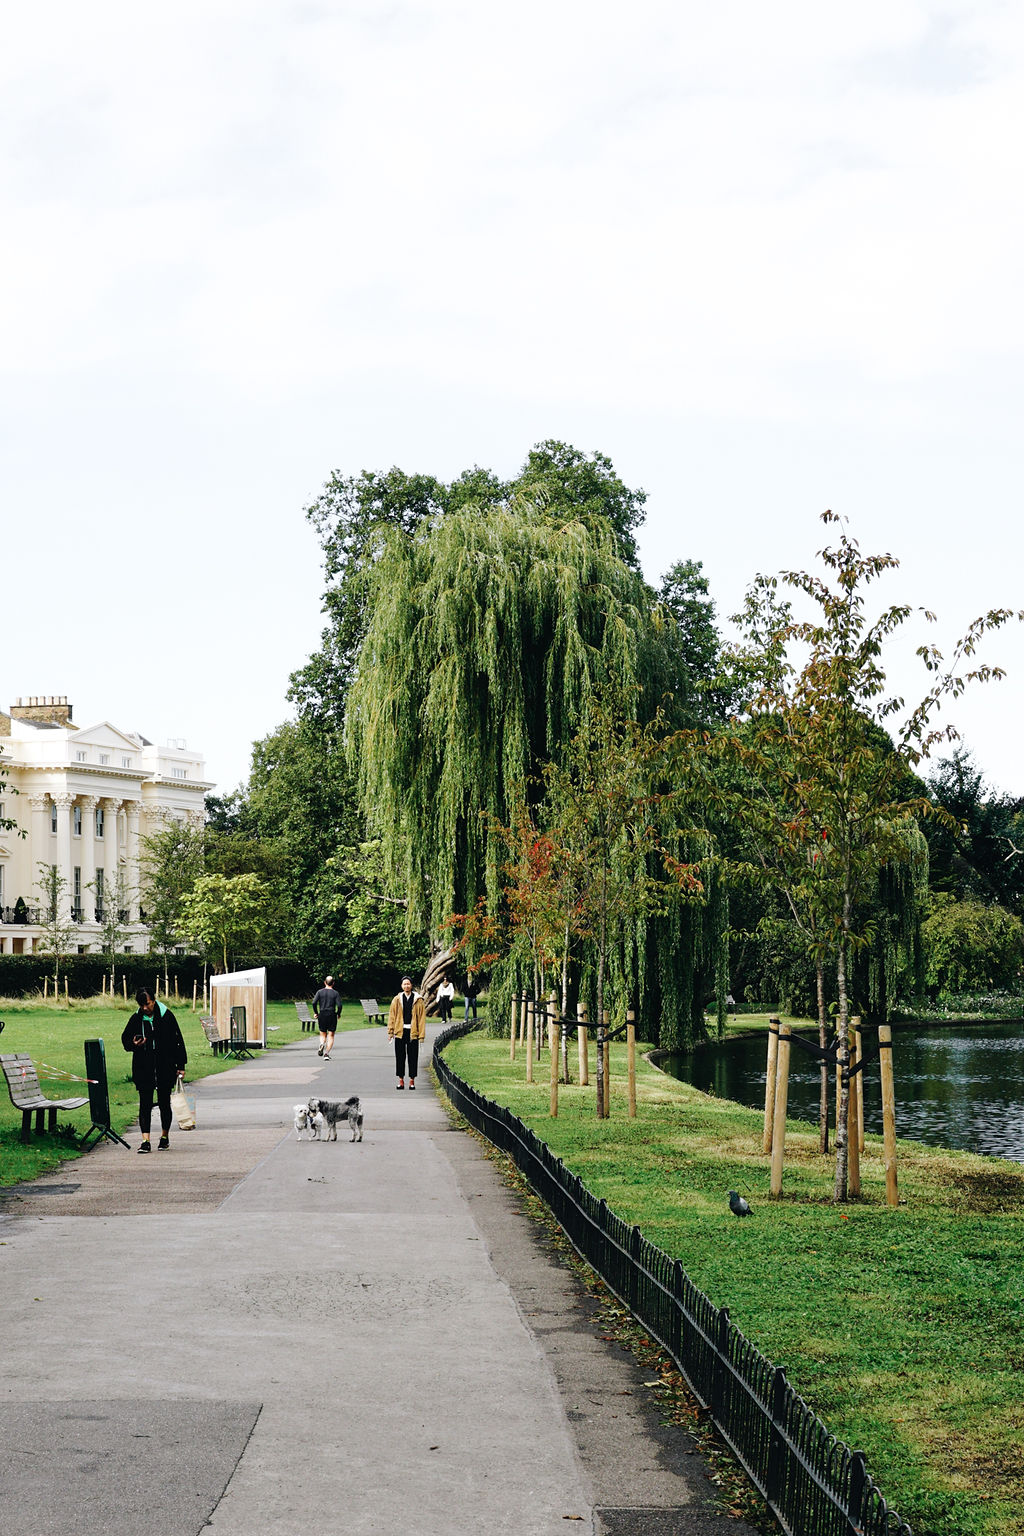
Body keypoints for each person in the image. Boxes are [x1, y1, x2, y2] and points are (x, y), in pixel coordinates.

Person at [121, 988, 187, 1153]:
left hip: (165, 1066)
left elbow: (178, 1041)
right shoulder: (136, 1018)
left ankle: (164, 1137)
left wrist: (181, 1066)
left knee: (164, 1103)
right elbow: (125, 1039)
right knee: (145, 1103)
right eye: (141, 1005)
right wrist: (134, 1044)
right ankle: (145, 1140)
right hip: (144, 1067)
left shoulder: (167, 1016)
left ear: (154, 1000)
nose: (145, 1008)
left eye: (147, 1004)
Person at [387, 976, 426, 1090]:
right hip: (400, 1032)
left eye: (408, 984)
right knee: (400, 1057)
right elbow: (392, 1016)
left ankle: (412, 1080)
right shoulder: (397, 999)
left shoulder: (418, 1000)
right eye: (404, 984)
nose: (406, 986)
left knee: (413, 1057)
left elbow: (422, 1019)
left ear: (411, 985)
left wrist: (421, 1035)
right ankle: (401, 1080)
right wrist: (390, 1032)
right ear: (401, 986)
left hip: (413, 1032)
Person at [312, 975, 342, 1059]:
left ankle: (322, 1044)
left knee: (322, 1033)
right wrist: (338, 1014)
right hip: (332, 1014)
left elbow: (314, 1002)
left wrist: (316, 1012)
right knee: (331, 1035)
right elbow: (339, 1005)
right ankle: (326, 1053)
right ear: (333, 983)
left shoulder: (319, 992)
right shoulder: (335, 993)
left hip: (322, 1014)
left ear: (325, 982)